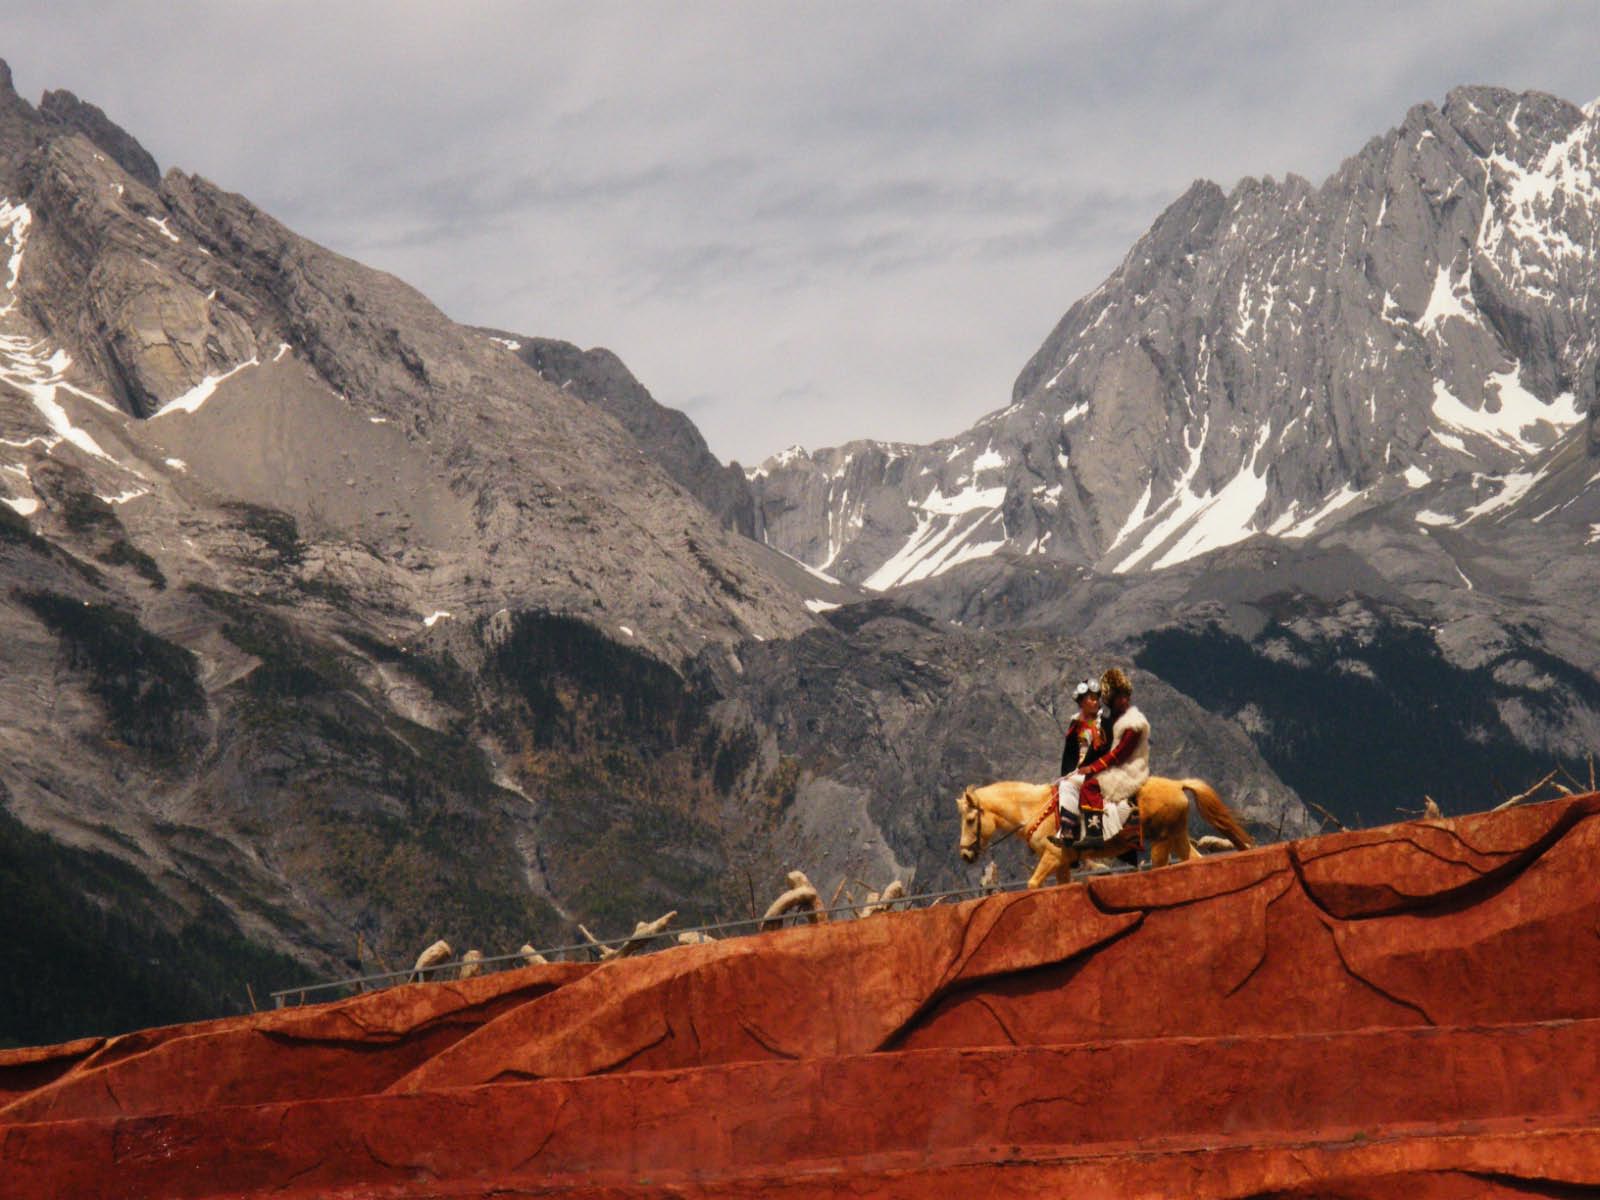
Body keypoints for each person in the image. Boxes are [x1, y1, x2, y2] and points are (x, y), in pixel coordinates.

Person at [1075, 667, 1150, 850]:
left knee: (1090, 786)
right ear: (1111, 700)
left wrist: (1093, 768)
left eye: (1125, 696)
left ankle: (1095, 834)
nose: (1124, 700)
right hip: (1120, 765)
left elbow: (1119, 754)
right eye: (1119, 697)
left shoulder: (1133, 723)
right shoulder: (1115, 720)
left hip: (1129, 769)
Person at [1047, 679, 1106, 848]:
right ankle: (1067, 829)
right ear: (1081, 703)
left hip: (1100, 769)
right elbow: (1070, 753)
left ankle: (1068, 830)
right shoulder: (1076, 725)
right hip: (1079, 771)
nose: (1095, 702)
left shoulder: (1104, 723)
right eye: (1090, 698)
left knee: (1068, 785)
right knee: (1062, 785)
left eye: (1096, 698)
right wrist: (1066, 773)